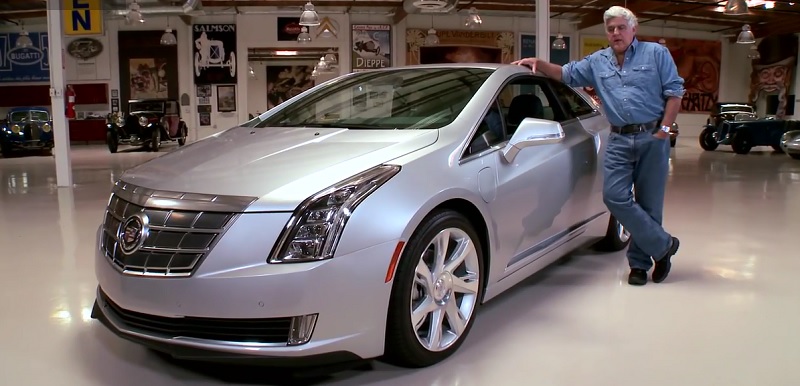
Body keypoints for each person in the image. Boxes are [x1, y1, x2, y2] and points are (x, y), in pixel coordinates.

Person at [511, 5, 683, 286]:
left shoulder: (656, 54)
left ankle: (639, 266)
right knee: (614, 197)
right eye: (611, 29)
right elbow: (565, 74)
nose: (615, 33)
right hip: (618, 138)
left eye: (620, 27)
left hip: (652, 137)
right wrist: (538, 63)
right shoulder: (597, 61)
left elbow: (675, 92)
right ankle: (663, 245)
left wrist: (664, 130)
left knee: (649, 203)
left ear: (633, 29)